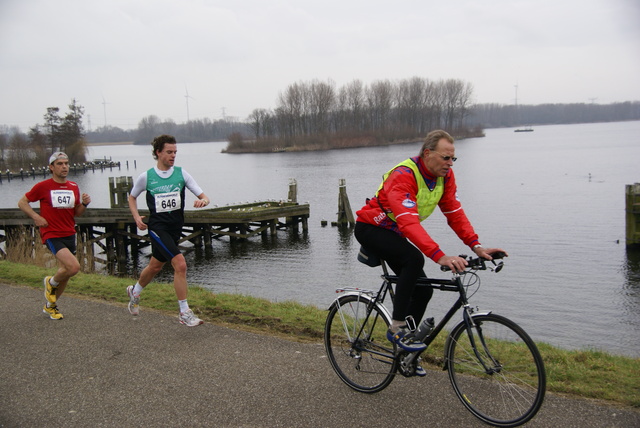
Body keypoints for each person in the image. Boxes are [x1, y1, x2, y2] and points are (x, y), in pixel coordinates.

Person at [354, 130, 507, 361]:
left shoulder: (445, 177)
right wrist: (440, 256)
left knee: (424, 290)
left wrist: (477, 246)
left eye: (453, 159)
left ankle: (407, 353)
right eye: (445, 158)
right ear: (428, 153)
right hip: (372, 229)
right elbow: (407, 222)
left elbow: (454, 213)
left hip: (396, 232)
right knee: (413, 259)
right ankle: (397, 328)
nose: (450, 164)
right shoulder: (403, 175)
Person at [127, 134, 211, 327]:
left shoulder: (181, 174)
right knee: (180, 264)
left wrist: (202, 201)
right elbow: (132, 197)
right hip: (157, 228)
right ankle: (184, 312)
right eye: (169, 152)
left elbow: (204, 196)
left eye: (175, 152)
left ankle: (135, 291)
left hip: (175, 228)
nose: (173, 155)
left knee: (155, 266)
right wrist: (137, 217)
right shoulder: (147, 177)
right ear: (158, 152)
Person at [18, 151, 92, 320]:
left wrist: (85, 204)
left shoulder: (73, 186)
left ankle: (50, 306)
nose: (64, 166)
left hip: (69, 232)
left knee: (65, 271)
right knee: (73, 267)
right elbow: (22, 202)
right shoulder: (43, 186)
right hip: (51, 233)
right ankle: (50, 283)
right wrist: (36, 217)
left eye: (66, 163)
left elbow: (76, 213)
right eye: (60, 164)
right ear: (51, 167)